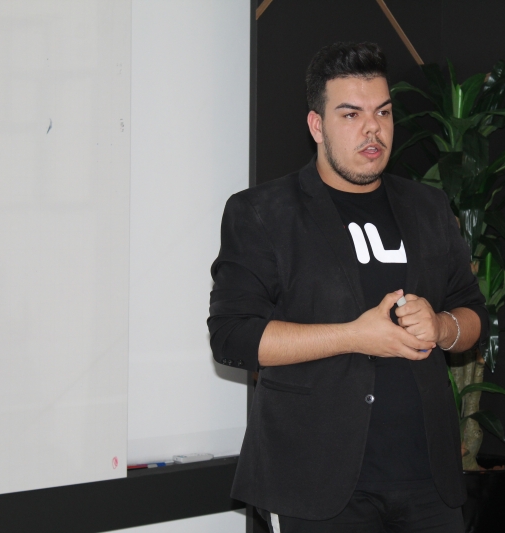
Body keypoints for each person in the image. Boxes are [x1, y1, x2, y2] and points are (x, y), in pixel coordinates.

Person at [208, 41, 488, 533]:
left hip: (428, 483)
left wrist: (442, 326)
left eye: (383, 112)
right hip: (314, 486)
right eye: (351, 114)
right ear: (317, 126)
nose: (372, 129)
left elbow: (473, 316)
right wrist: (355, 336)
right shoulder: (262, 213)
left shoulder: (428, 207)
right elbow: (233, 337)